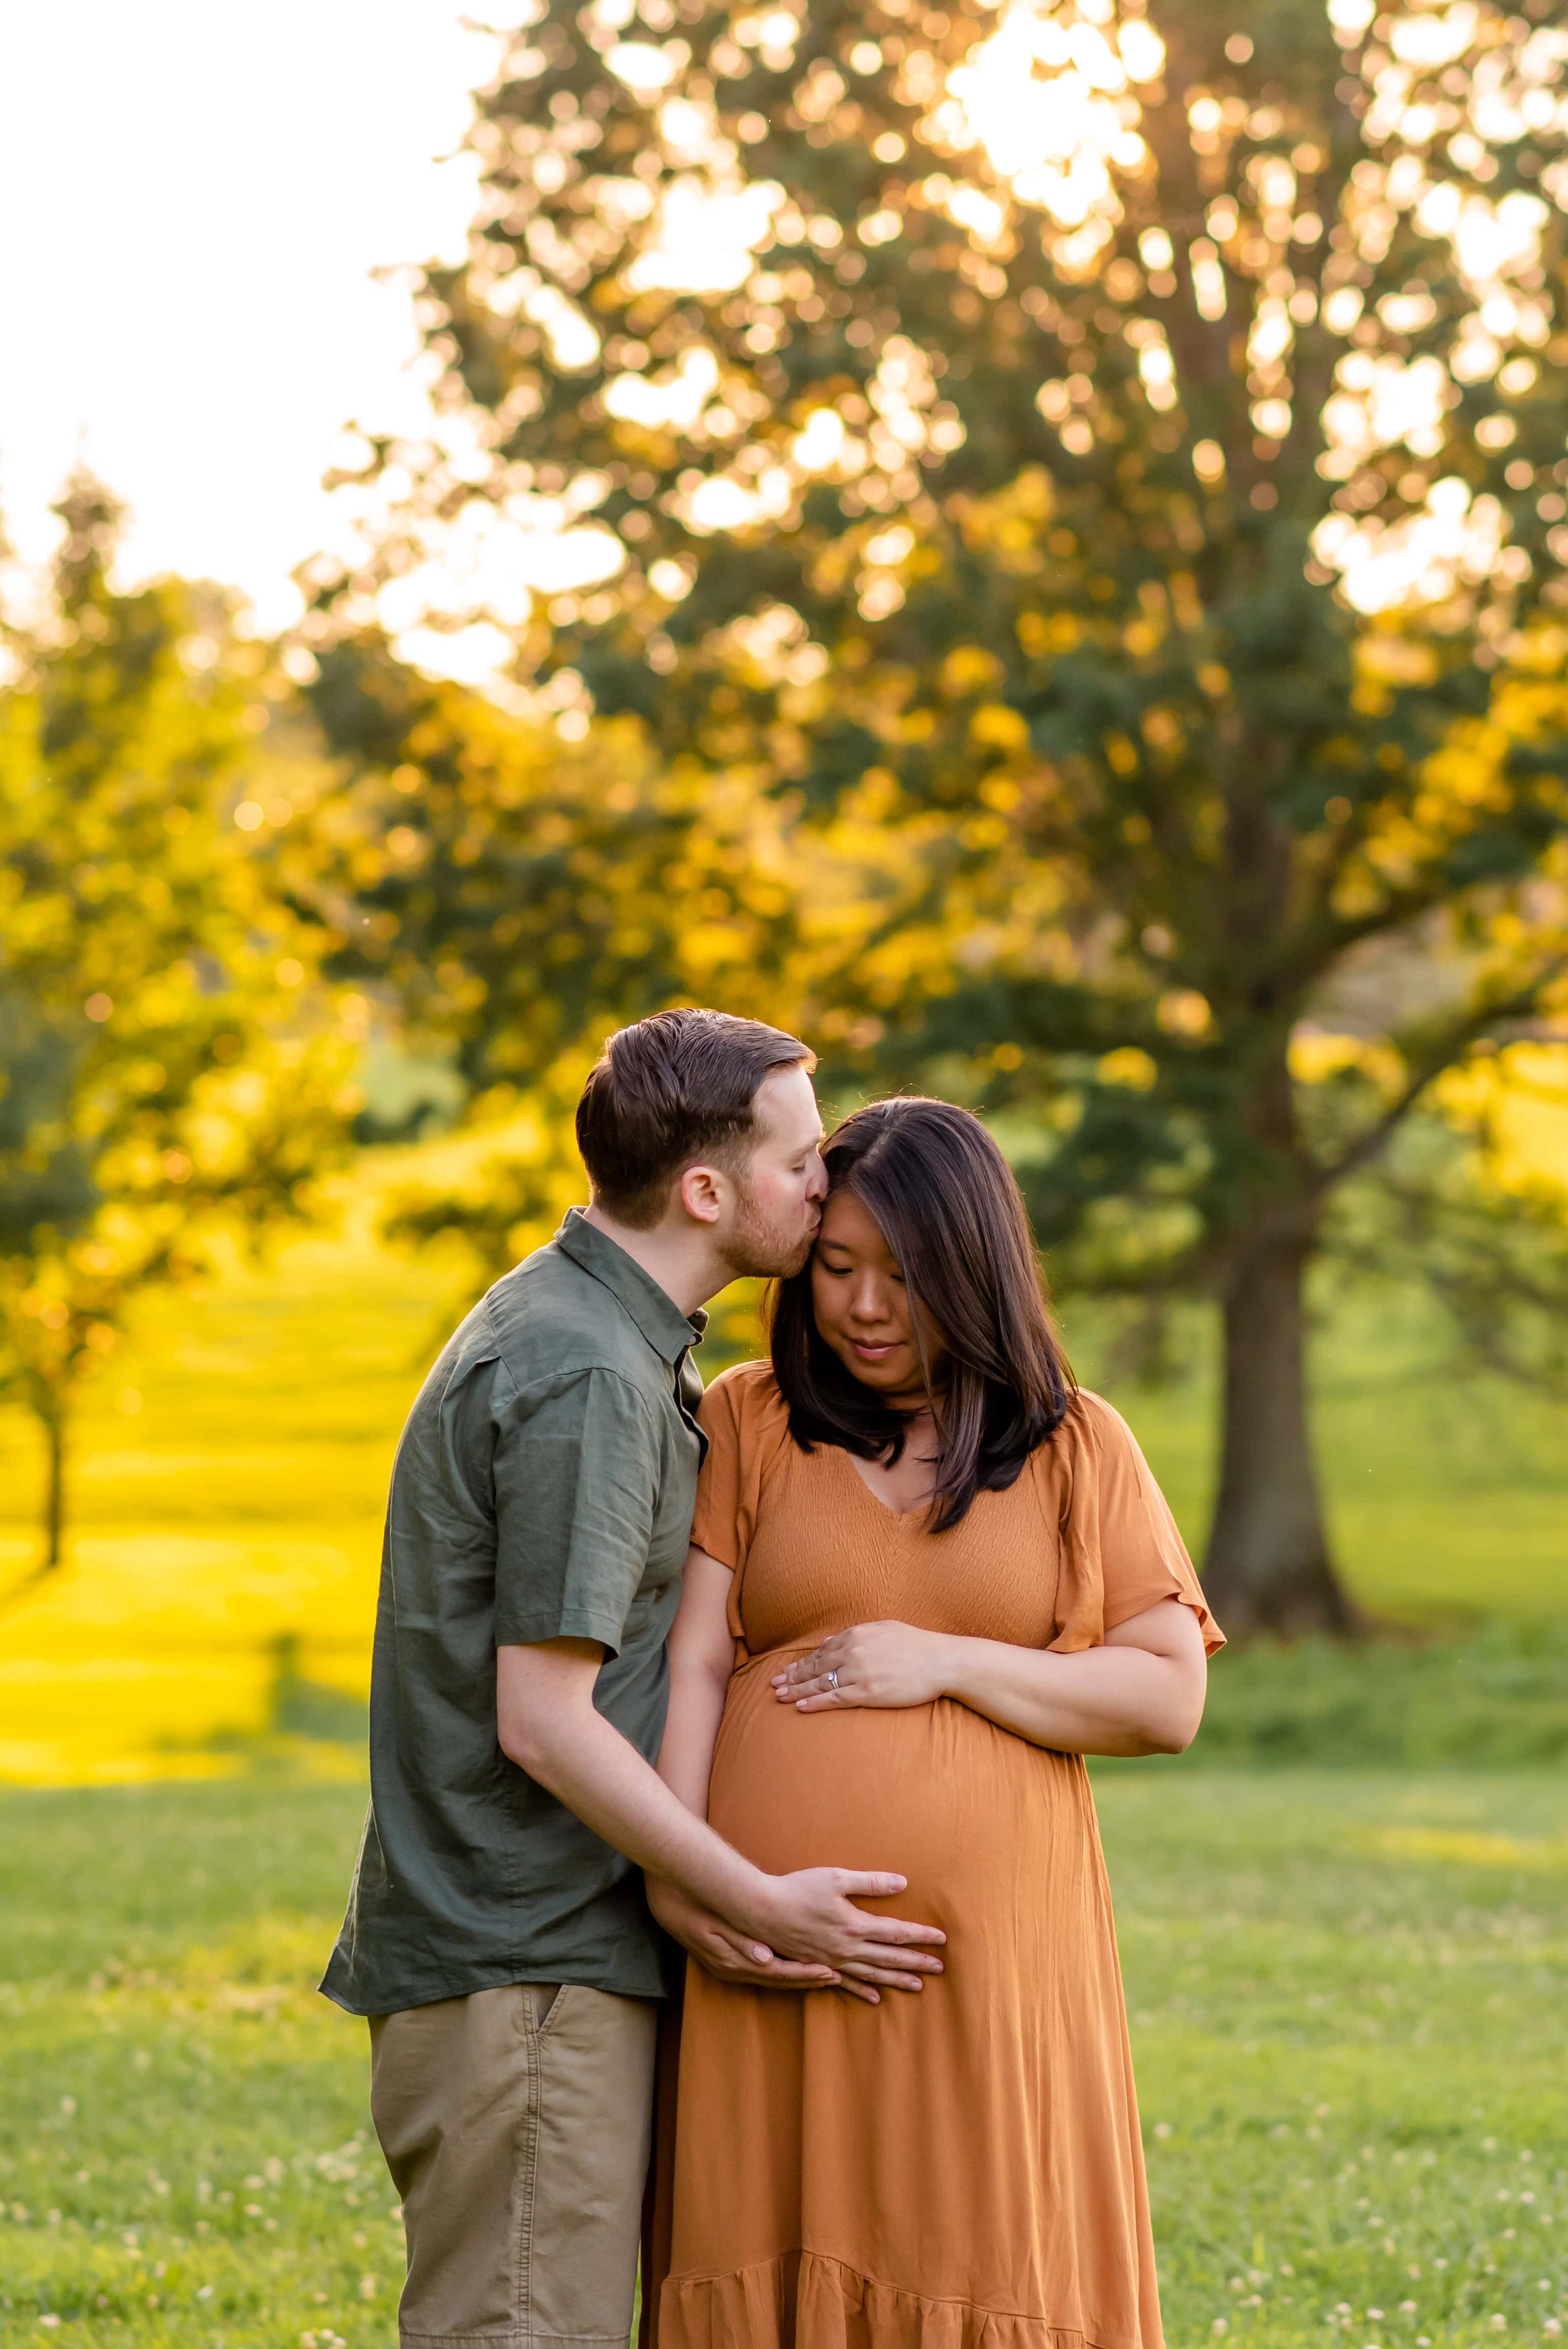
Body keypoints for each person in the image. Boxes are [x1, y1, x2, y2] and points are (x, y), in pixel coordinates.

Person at [320, 1012, 945, 2349]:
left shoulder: (600, 1334)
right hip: (526, 1977)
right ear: (705, 1190)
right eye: (799, 1162)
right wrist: (753, 1895)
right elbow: (544, 1719)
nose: (824, 1185)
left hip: (535, 1971)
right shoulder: (587, 1374)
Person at [647, 1095, 1224, 2349]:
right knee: (768, 2243)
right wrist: (688, 1878)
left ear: (972, 1269)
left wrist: (947, 1662)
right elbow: (692, 1663)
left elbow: (1164, 1695)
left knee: (977, 2249)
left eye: (901, 1276)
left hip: (987, 1976)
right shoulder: (746, 1419)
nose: (860, 1306)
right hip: (763, 1946)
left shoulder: (1075, 1442)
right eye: (837, 1267)